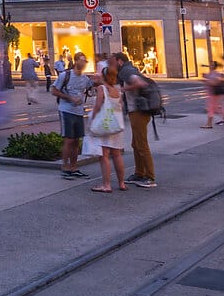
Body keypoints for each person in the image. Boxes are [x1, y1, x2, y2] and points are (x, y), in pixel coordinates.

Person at [112, 52, 160, 190]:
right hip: (136, 111)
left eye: (114, 61)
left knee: (142, 144)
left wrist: (123, 89)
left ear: (119, 61)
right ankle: (139, 173)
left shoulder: (126, 71)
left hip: (138, 111)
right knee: (136, 144)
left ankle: (150, 177)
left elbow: (141, 83)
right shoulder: (129, 69)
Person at [84, 63, 130, 193]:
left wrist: (92, 120)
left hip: (104, 124)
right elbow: (120, 106)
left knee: (104, 155)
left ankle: (106, 185)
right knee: (116, 154)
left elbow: (98, 106)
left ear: (103, 76)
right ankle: (121, 183)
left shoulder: (102, 89)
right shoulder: (117, 89)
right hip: (115, 125)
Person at [53, 54, 93, 180]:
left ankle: (74, 167)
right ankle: (65, 168)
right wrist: (70, 98)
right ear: (76, 61)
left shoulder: (85, 78)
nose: (84, 63)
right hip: (66, 110)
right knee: (68, 140)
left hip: (79, 111)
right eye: (82, 61)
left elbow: (90, 89)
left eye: (85, 61)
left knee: (76, 141)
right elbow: (54, 91)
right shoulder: (65, 75)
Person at [202, 65, 224, 129]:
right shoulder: (213, 73)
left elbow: (215, 83)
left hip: (213, 94)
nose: (209, 66)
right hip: (213, 94)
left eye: (210, 65)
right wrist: (206, 77)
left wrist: (206, 81)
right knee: (216, 109)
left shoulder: (215, 74)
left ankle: (209, 124)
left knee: (212, 109)